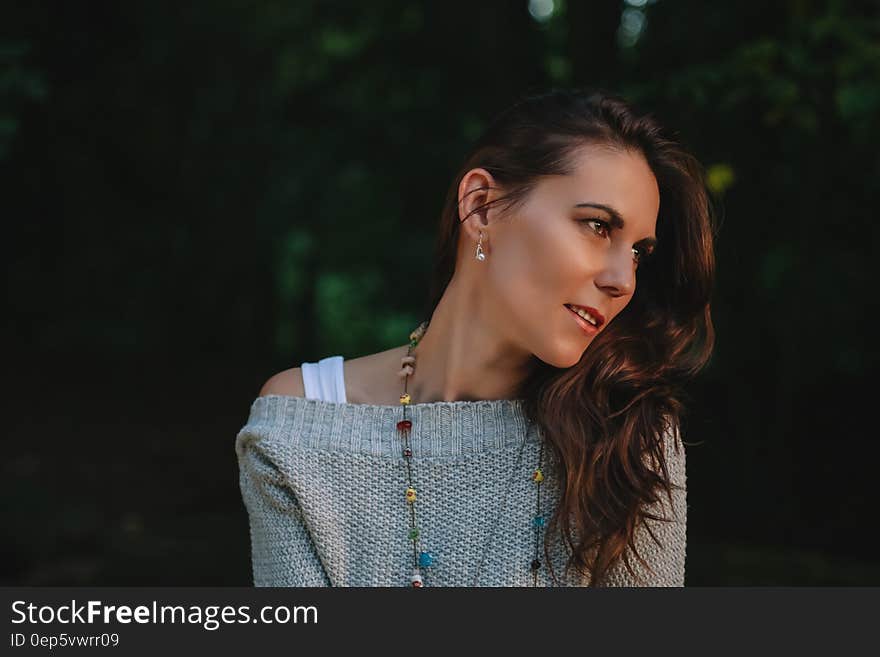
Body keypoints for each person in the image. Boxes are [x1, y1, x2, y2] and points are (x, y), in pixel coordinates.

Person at [235, 87, 716, 587]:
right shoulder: (303, 426)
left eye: (639, 252)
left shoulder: (625, 437)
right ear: (482, 206)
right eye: (597, 226)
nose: (623, 280)